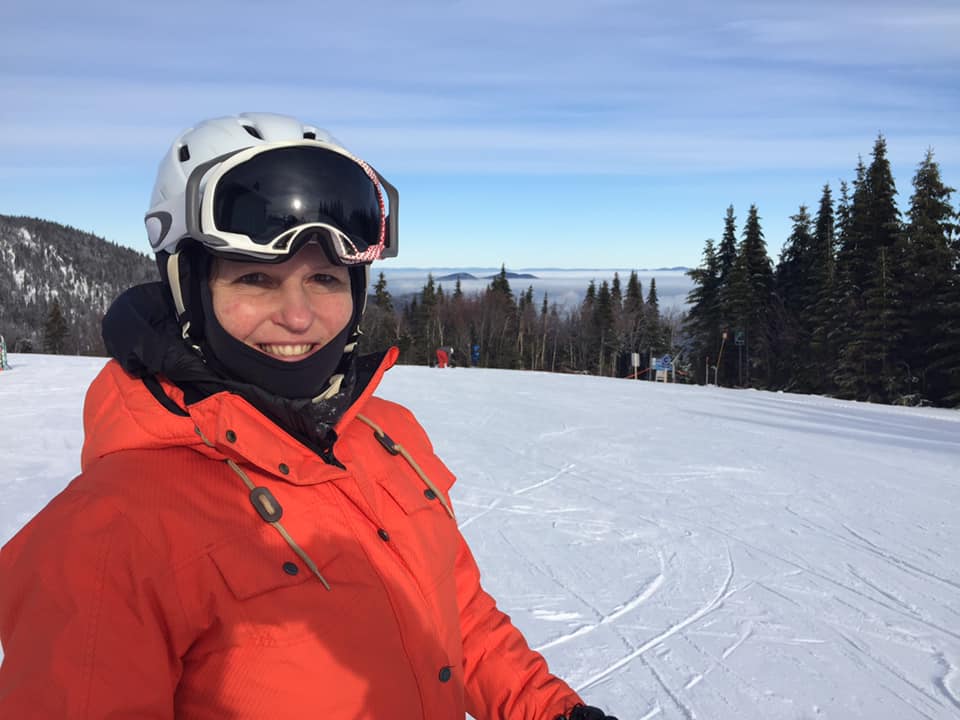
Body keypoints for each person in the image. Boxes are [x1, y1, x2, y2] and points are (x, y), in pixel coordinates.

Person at [0, 113, 617, 719]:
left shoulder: (387, 435)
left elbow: (455, 616)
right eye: (257, 280)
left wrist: (553, 712)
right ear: (189, 289)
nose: (299, 317)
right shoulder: (106, 538)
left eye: (324, 277)